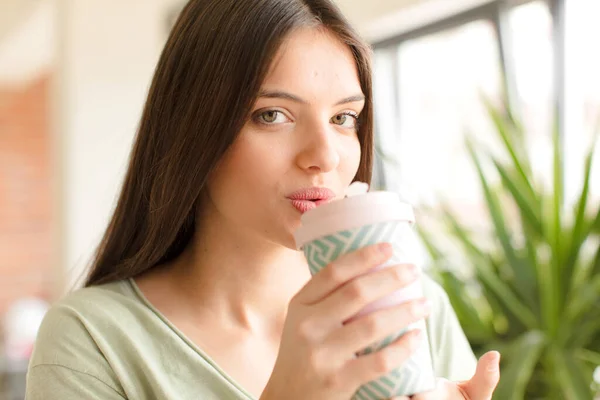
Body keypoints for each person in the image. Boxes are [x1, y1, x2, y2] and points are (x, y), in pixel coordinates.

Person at [25, 0, 500, 399]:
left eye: (344, 118)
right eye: (272, 115)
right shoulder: (92, 341)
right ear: (195, 131)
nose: (324, 156)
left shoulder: (408, 309)